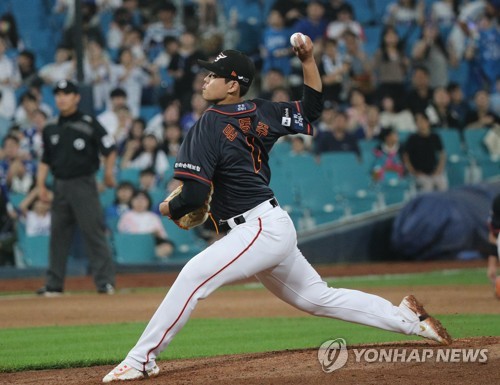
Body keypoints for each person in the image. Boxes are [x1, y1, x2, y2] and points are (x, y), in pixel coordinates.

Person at [103, 44, 451, 383]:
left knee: (193, 276)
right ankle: (408, 320)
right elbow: (312, 108)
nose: (205, 79)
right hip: (269, 225)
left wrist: (168, 206)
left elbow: (193, 194)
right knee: (318, 298)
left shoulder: (208, 123)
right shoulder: (261, 111)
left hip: (256, 228)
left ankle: (140, 360)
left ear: (233, 85)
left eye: (214, 74)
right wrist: (309, 60)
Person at [36, 80, 117, 296]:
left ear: (76, 97)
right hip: (60, 184)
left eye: (67, 93)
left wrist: (109, 173)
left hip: (84, 183)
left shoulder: (89, 122)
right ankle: (54, 284)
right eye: (58, 94)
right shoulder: (51, 126)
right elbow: (45, 159)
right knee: (58, 235)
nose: (61, 98)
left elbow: (109, 148)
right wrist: (40, 184)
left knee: (93, 232)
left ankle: (105, 282)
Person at [403, 112, 448, 192]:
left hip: (434, 171)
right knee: (427, 185)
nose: (421, 124)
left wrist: (439, 170)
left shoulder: (435, 137)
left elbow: (442, 154)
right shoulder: (412, 138)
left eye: (422, 121)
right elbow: (405, 156)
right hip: (420, 173)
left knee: (442, 184)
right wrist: (413, 171)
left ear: (427, 122)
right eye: (418, 122)